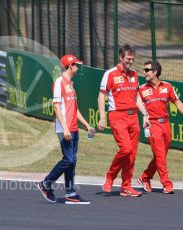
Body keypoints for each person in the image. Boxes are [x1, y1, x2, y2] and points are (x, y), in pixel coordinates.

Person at [38, 54, 94, 204]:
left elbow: (74, 109)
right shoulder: (59, 83)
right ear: (70, 66)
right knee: (68, 159)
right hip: (65, 129)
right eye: (77, 65)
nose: (78, 68)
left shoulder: (71, 84)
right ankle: (46, 183)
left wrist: (87, 125)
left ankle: (70, 192)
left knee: (72, 161)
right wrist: (65, 128)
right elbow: (56, 107)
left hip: (73, 128)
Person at [97, 44, 150, 197]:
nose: (130, 62)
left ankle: (126, 186)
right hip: (117, 116)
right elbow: (101, 96)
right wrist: (102, 118)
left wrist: (145, 114)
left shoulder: (134, 74)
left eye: (132, 59)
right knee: (125, 149)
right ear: (120, 57)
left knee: (132, 153)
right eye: (128, 59)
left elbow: (137, 97)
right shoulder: (110, 74)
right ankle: (110, 176)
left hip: (133, 117)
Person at [137, 60, 183, 194]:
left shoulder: (167, 86)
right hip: (152, 124)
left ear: (155, 72)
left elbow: (178, 103)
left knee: (160, 155)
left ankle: (145, 177)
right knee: (160, 155)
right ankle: (167, 184)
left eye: (146, 70)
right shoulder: (141, 89)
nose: (144, 72)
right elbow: (136, 105)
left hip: (166, 124)